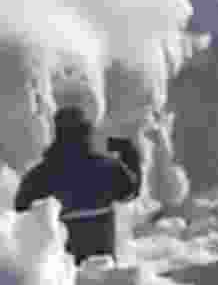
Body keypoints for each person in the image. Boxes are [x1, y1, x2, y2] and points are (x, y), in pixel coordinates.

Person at [15, 106, 142, 261]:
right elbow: (131, 192)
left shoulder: (41, 173)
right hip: (101, 266)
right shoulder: (106, 167)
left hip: (59, 270)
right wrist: (128, 152)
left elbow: (20, 210)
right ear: (86, 132)